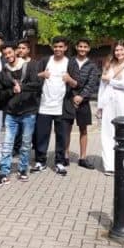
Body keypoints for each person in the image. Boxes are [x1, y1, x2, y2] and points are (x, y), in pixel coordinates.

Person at [0, 43, 41, 186]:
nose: (8, 56)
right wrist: (11, 91)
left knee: (26, 144)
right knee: (7, 144)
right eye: (5, 54)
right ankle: (4, 172)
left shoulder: (30, 66)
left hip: (28, 112)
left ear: (15, 52)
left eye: (10, 52)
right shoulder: (3, 73)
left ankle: (22, 169)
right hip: (11, 113)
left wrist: (22, 87)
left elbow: (38, 85)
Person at [96, 40, 124, 174]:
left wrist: (109, 80)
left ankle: (123, 164)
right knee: (107, 132)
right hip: (108, 101)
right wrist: (99, 105)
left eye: (121, 50)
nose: (119, 52)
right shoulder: (109, 64)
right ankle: (109, 165)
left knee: (123, 134)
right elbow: (102, 86)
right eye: (116, 50)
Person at [34, 36, 71, 175]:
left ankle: (60, 162)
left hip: (61, 106)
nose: (58, 49)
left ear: (65, 48)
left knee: (61, 136)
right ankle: (40, 161)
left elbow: (75, 83)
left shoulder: (69, 62)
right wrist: (42, 74)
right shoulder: (45, 61)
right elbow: (33, 76)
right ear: (52, 47)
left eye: (61, 46)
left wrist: (69, 79)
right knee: (42, 135)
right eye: (56, 46)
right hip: (44, 105)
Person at [62, 38, 99, 170]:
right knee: (67, 129)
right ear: (76, 47)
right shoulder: (69, 62)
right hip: (69, 99)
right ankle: (65, 156)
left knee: (83, 129)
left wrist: (81, 96)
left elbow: (91, 83)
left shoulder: (92, 65)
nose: (83, 49)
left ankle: (82, 157)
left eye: (85, 47)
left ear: (89, 49)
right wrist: (73, 96)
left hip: (84, 102)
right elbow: (65, 79)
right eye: (80, 46)